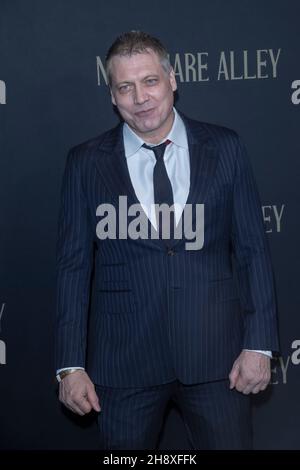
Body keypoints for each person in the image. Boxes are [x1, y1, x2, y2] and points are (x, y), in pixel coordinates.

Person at [55, 31, 280, 450]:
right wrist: (70, 366)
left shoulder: (226, 147)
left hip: (218, 360)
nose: (140, 97)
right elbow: (73, 267)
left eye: (150, 81)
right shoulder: (85, 163)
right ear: (113, 96)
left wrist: (260, 345)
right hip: (123, 363)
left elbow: (252, 252)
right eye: (126, 86)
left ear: (172, 79)